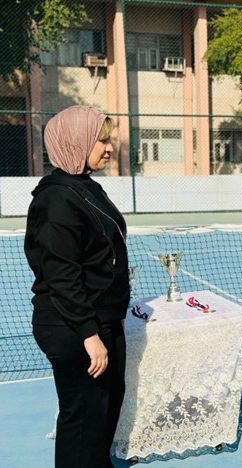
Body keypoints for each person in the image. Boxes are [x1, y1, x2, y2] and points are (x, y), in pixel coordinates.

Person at [24, 106, 130, 467]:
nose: (109, 147)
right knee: (83, 419)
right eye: (101, 141)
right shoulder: (56, 199)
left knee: (104, 410)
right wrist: (88, 333)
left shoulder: (84, 187)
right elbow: (61, 274)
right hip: (73, 326)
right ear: (76, 142)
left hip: (102, 320)